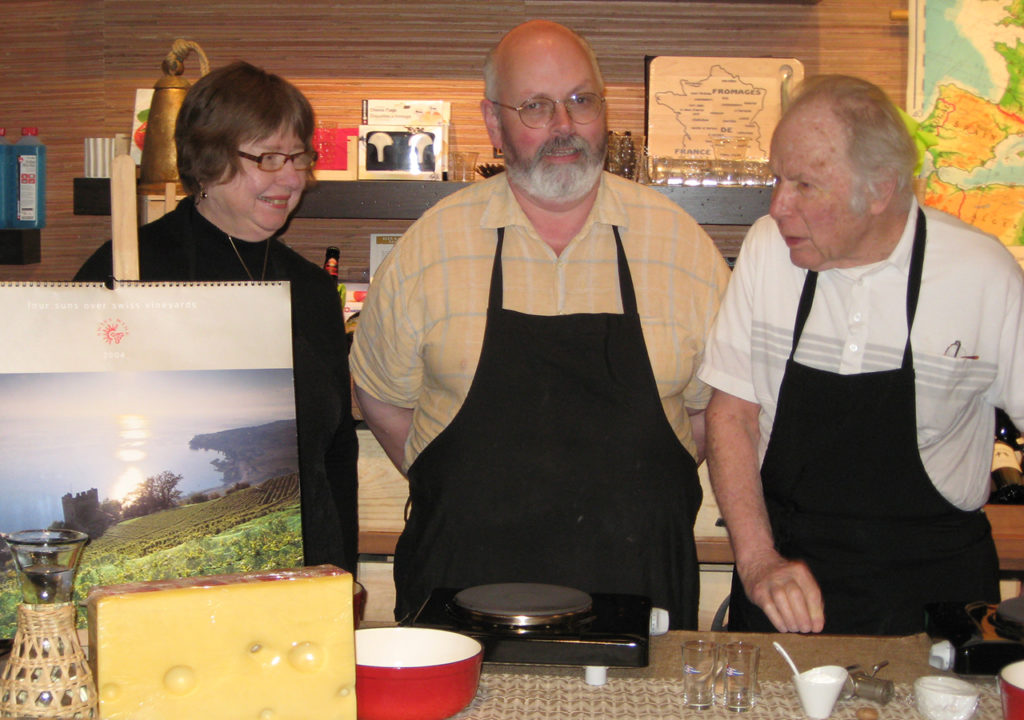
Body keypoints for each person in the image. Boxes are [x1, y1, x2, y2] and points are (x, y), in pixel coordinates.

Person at [350, 19, 730, 626]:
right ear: (494, 123)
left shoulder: (682, 247)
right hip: (461, 594)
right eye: (535, 106)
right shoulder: (429, 248)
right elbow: (379, 395)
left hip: (641, 593)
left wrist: (652, 481)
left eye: (582, 101)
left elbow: (719, 409)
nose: (564, 126)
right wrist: (450, 481)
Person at [699, 74, 1024, 635]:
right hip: (783, 590)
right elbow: (732, 414)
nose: (778, 206)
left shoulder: (982, 274)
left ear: (879, 190)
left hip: (936, 603)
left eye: (804, 185)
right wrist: (757, 564)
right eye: (778, 179)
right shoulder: (765, 251)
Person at [75, 61, 359, 574]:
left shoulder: (314, 291)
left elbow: (335, 455)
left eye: (299, 156)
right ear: (207, 161)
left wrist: (344, 578)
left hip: (299, 584)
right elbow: (85, 430)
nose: (292, 177)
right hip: (157, 584)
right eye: (269, 158)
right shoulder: (129, 272)